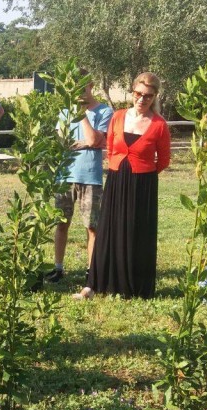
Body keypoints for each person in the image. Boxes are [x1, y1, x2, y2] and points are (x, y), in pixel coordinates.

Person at [76, 72, 171, 300]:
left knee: (137, 232)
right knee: (108, 230)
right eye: (138, 93)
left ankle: (134, 287)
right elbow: (110, 149)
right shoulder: (118, 117)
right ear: (133, 91)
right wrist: (123, 169)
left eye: (148, 95)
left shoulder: (159, 125)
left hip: (143, 184)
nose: (142, 99)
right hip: (117, 180)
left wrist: (144, 174)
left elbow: (164, 159)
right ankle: (93, 285)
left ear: (154, 96)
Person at [47, 73, 112, 284]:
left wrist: (81, 115)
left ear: (91, 86)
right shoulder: (64, 112)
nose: (77, 93)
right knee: (61, 223)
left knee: (91, 226)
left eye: (81, 88)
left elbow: (94, 139)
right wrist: (87, 143)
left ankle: (90, 271)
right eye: (73, 89)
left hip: (90, 177)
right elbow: (61, 143)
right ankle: (58, 268)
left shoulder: (104, 111)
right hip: (65, 175)